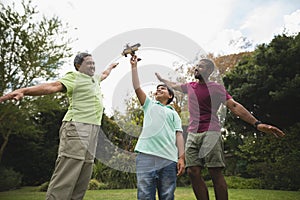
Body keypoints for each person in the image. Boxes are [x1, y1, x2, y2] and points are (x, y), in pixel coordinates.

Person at [155, 58, 285, 200]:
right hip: (193, 133)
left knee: (214, 171)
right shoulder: (190, 86)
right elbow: (174, 85)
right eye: (196, 66)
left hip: (211, 131)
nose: (197, 68)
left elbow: (234, 106)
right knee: (192, 171)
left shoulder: (216, 88)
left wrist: (257, 124)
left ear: (209, 71)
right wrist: (162, 79)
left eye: (202, 67)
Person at [0, 52, 118, 200]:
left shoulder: (94, 79)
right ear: (78, 66)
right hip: (77, 127)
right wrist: (25, 91)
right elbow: (52, 86)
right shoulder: (74, 77)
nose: (92, 65)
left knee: (84, 173)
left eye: (93, 63)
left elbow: (105, 74)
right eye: (88, 63)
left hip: (93, 129)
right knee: (67, 173)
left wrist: (111, 67)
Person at [130, 55, 185, 200]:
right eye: (157, 88)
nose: (159, 89)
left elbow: (179, 135)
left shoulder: (173, 113)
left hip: (168, 159)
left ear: (170, 95)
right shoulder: (149, 105)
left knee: (167, 195)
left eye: (163, 88)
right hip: (146, 157)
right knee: (145, 195)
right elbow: (137, 87)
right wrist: (134, 67)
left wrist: (181, 157)